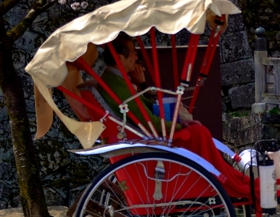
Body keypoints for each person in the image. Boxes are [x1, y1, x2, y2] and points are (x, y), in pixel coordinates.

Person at [96, 34, 250, 199]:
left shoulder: (116, 80)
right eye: (133, 53)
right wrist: (180, 125)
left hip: (143, 134)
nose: (136, 57)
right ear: (119, 58)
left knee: (198, 130)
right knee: (199, 132)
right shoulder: (116, 85)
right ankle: (222, 182)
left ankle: (228, 178)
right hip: (146, 136)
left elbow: (145, 107)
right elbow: (149, 121)